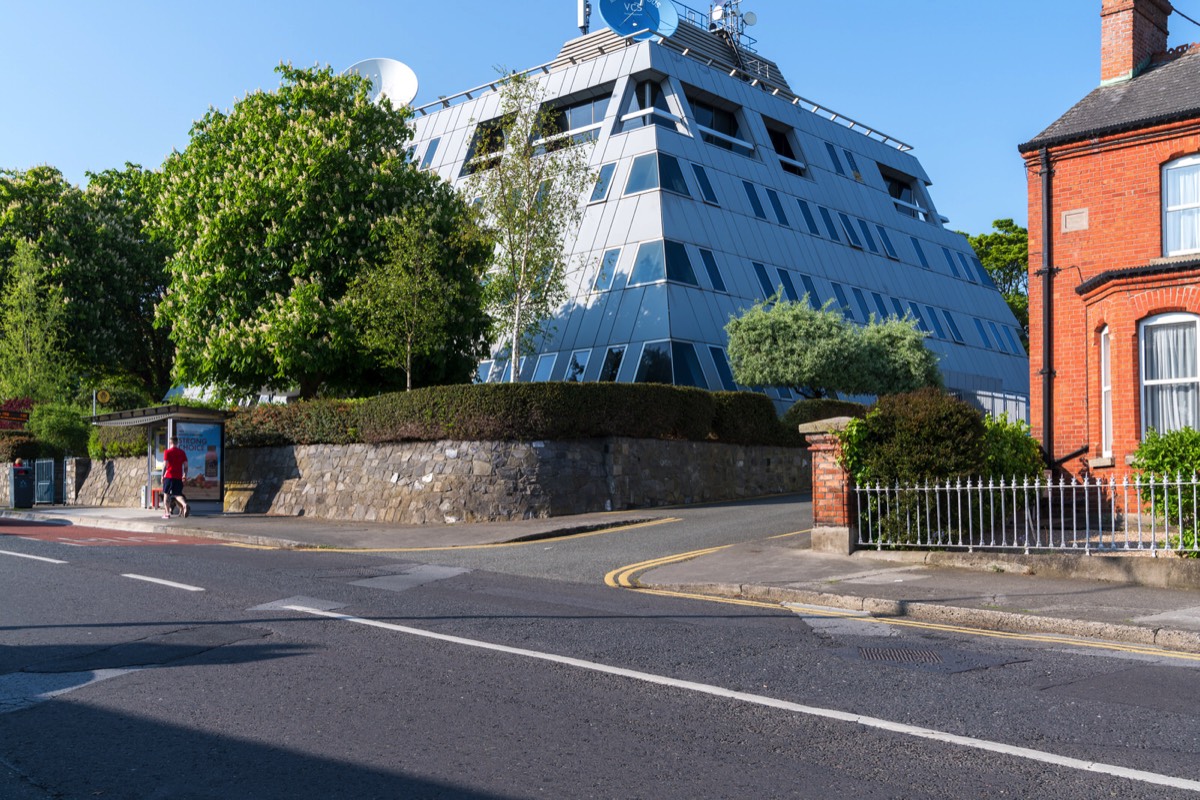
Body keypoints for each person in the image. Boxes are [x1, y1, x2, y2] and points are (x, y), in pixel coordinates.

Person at [161, 437, 191, 519]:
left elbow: (165, 465)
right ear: (177, 443)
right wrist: (184, 475)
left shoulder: (167, 452)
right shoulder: (182, 453)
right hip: (178, 477)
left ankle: (167, 514)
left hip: (169, 476)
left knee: (166, 494)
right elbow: (186, 466)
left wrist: (162, 475)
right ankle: (184, 505)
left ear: (170, 443)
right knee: (177, 494)